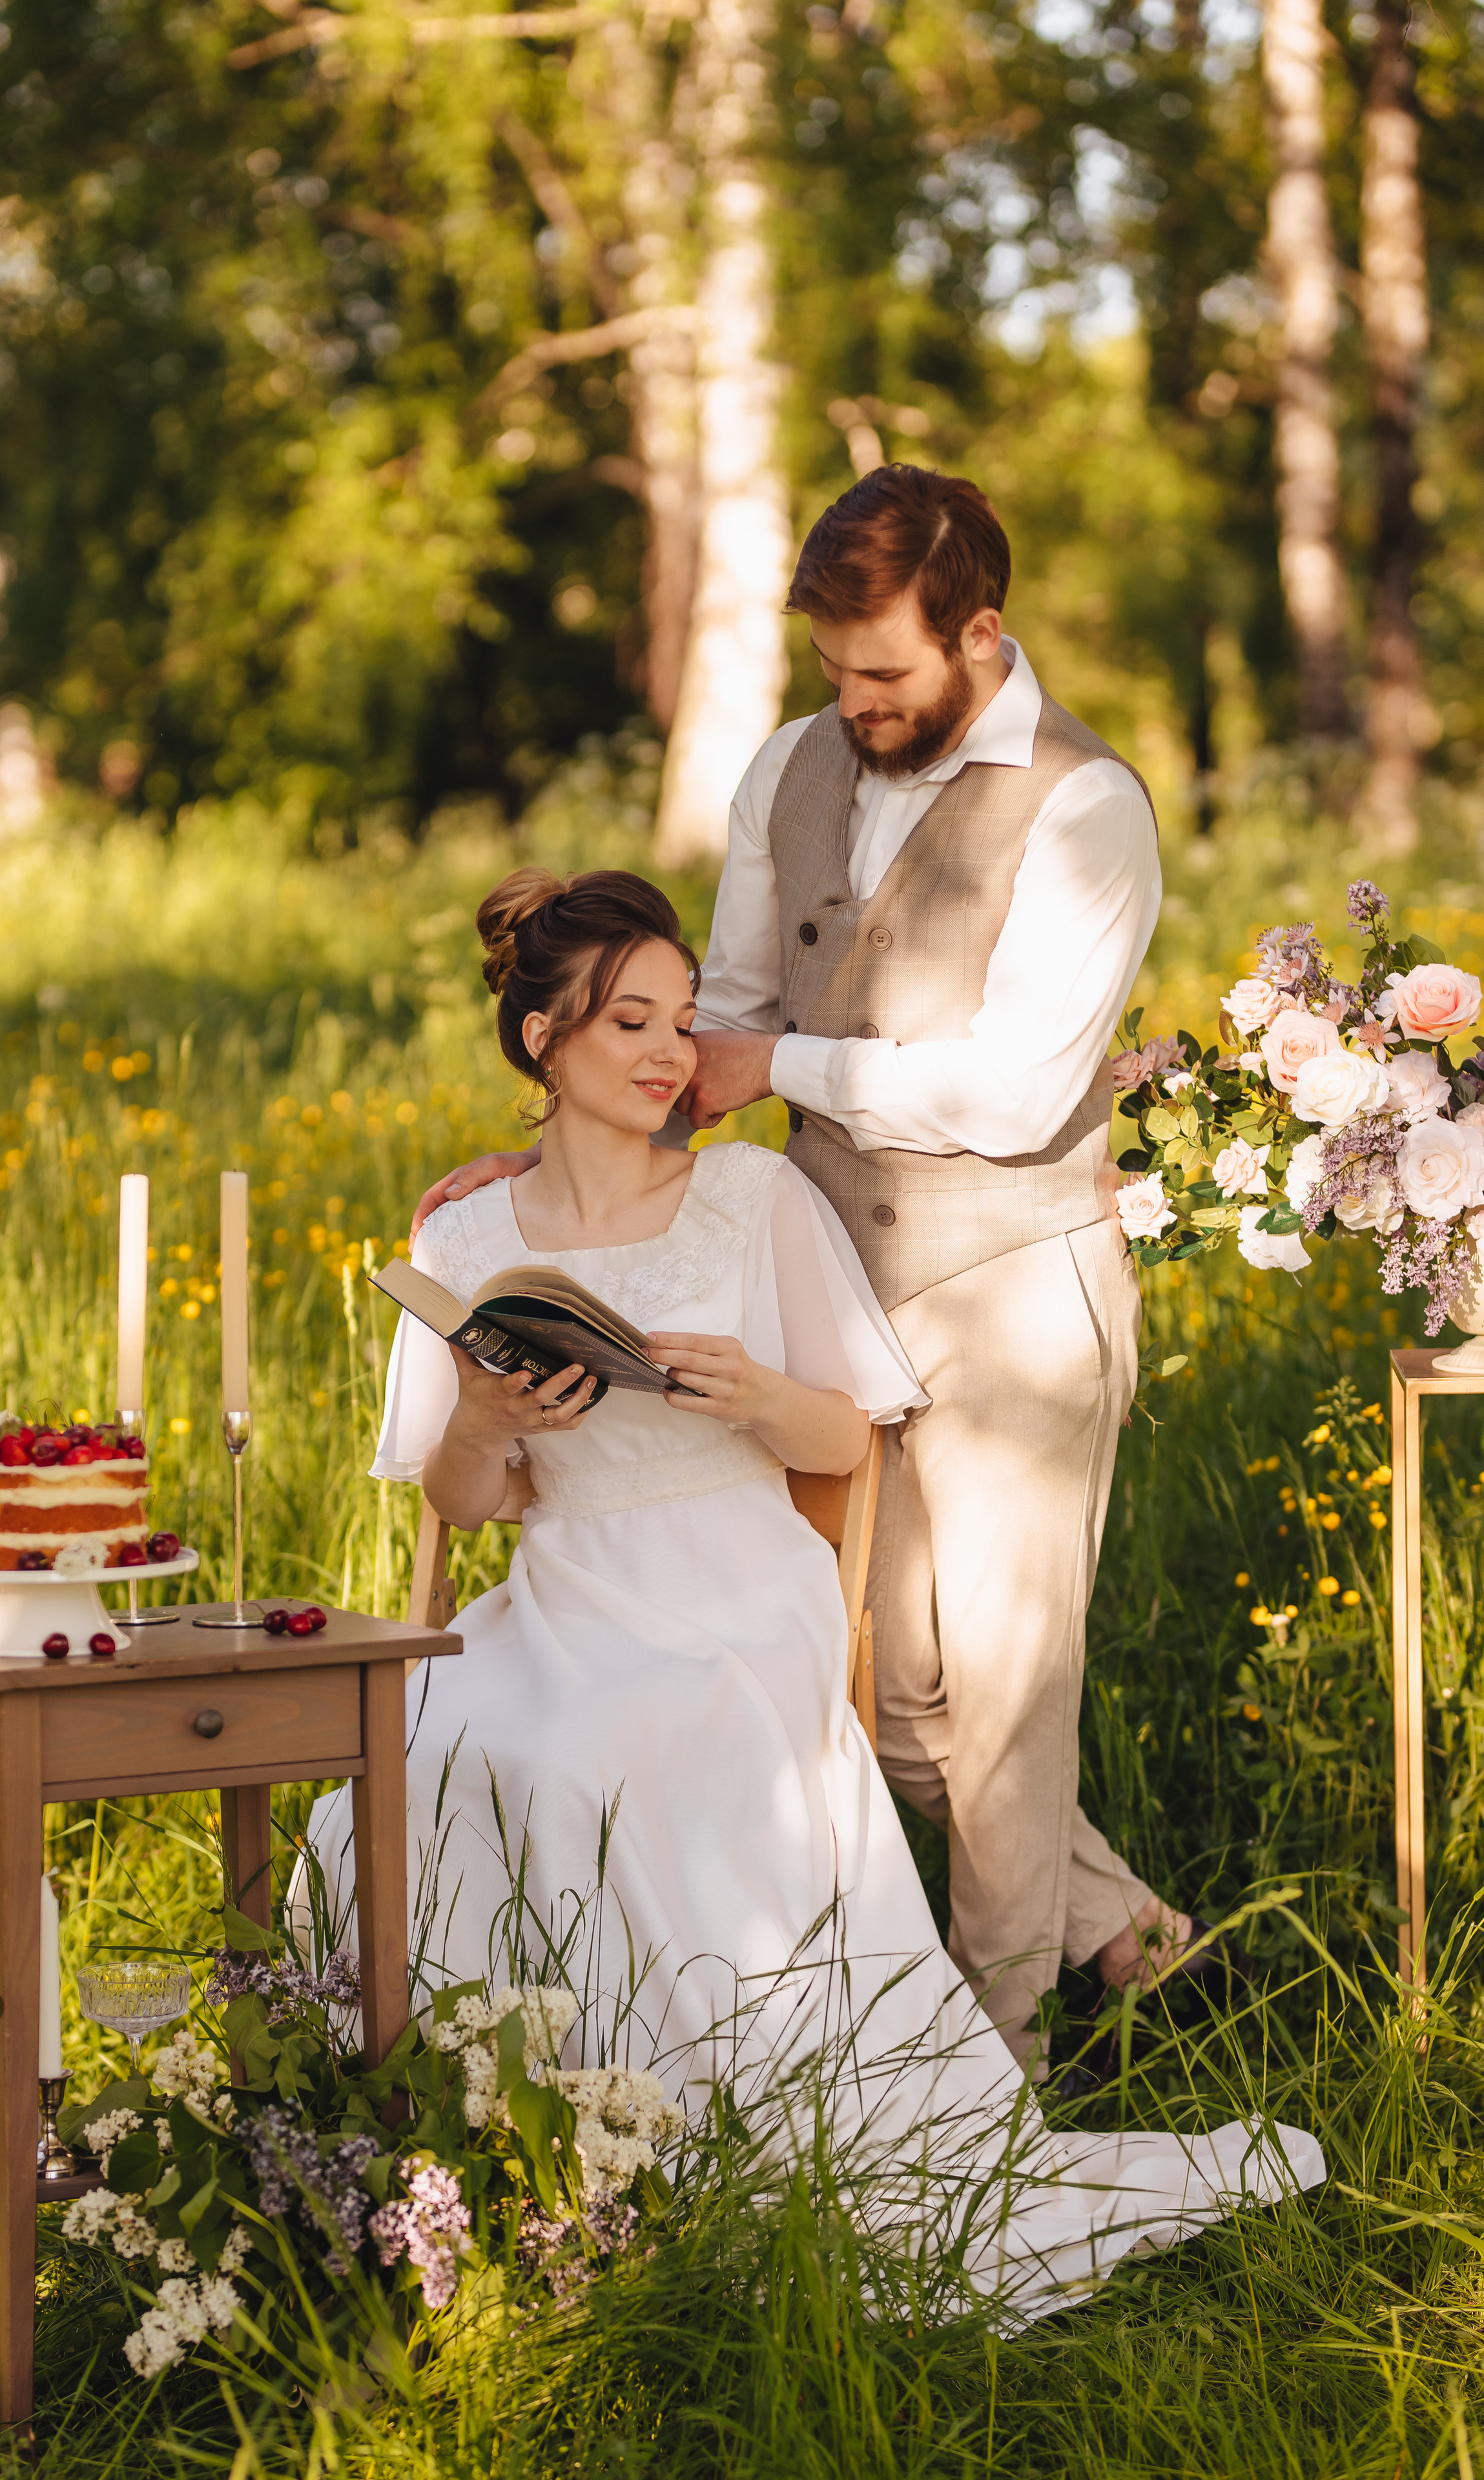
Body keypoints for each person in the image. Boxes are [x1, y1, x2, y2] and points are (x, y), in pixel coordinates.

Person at [304, 866, 1323, 2328]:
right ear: (541, 1040)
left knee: (594, 1748)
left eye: (680, 1020)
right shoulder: (468, 1241)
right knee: (415, 1752)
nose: (670, 1054)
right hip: (563, 1587)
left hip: (736, 1586)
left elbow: (849, 1443)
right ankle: (458, 2147)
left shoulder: (749, 1194)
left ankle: (651, 2138)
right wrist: (483, 1417)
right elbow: (464, 1505)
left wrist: (758, 1395)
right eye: (627, 1023)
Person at [410, 467, 1215, 2078]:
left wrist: (783, 1064)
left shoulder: (1086, 807)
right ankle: (1131, 1932)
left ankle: (996, 2064)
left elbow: (1012, 1095)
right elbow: (713, 1014)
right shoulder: (790, 764)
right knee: (881, 1688)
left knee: (1001, 1698)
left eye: (884, 672)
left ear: (978, 633)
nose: (852, 703)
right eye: (834, 670)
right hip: (822, 1282)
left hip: (1011, 1285)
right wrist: (555, 1155)